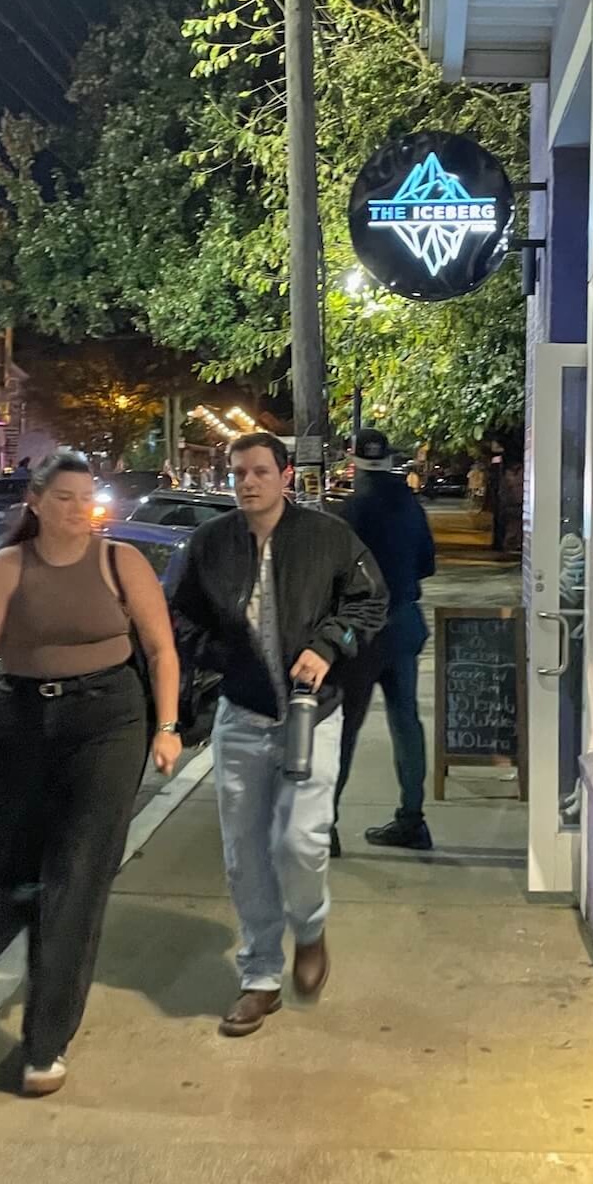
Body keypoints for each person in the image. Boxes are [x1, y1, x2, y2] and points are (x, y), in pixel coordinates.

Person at [0, 449, 182, 1097]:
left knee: (76, 875)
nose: (78, 511)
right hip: (20, 719)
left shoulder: (120, 562)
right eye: (64, 498)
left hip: (109, 720)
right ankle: (31, 931)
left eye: (86, 499)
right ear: (36, 500)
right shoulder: (5, 569)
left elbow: (161, 650)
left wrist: (167, 726)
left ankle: (44, 1040)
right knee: (14, 864)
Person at [172, 432, 387, 1038]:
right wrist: (216, 654)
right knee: (245, 854)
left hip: (311, 716)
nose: (248, 483)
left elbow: (371, 602)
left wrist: (327, 647)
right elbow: (177, 613)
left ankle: (311, 930)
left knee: (299, 841)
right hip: (241, 718)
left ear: (285, 475)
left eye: (260, 472)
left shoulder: (327, 538)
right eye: (239, 472)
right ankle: (260, 975)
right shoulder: (210, 545)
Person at [334, 428, 437, 854]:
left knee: (343, 727)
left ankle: (324, 824)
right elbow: (427, 565)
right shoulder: (409, 504)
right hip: (404, 623)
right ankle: (412, 818)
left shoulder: (348, 509)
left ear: (352, 458)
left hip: (362, 630)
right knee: (406, 721)